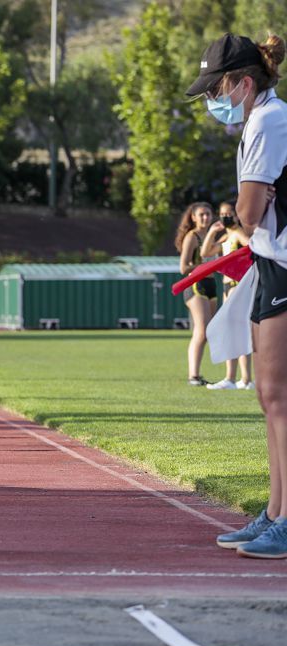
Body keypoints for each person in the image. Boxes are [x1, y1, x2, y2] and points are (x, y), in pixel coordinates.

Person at [188, 32, 287, 557]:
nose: (211, 101)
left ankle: (286, 517)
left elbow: (245, 215)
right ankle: (274, 512)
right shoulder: (258, 120)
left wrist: (250, 208)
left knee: (279, 397)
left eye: (216, 88)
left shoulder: (269, 120)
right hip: (272, 263)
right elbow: (249, 212)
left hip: (284, 265)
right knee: (269, 396)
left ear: (244, 83)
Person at [207, 202, 254, 390]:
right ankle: (243, 379)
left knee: (235, 329)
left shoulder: (237, 233)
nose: (225, 216)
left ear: (236, 215)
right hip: (227, 286)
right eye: (222, 213)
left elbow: (251, 247)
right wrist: (212, 232)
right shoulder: (227, 236)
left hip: (236, 285)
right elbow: (205, 252)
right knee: (237, 330)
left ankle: (234, 378)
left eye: (229, 213)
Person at [175, 201, 220, 385]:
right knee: (201, 331)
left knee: (207, 331)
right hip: (195, 285)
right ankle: (192, 375)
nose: (205, 218)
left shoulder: (213, 236)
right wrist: (204, 266)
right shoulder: (192, 237)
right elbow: (183, 267)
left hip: (211, 284)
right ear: (193, 217)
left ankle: (197, 374)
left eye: (208, 214)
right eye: (201, 214)